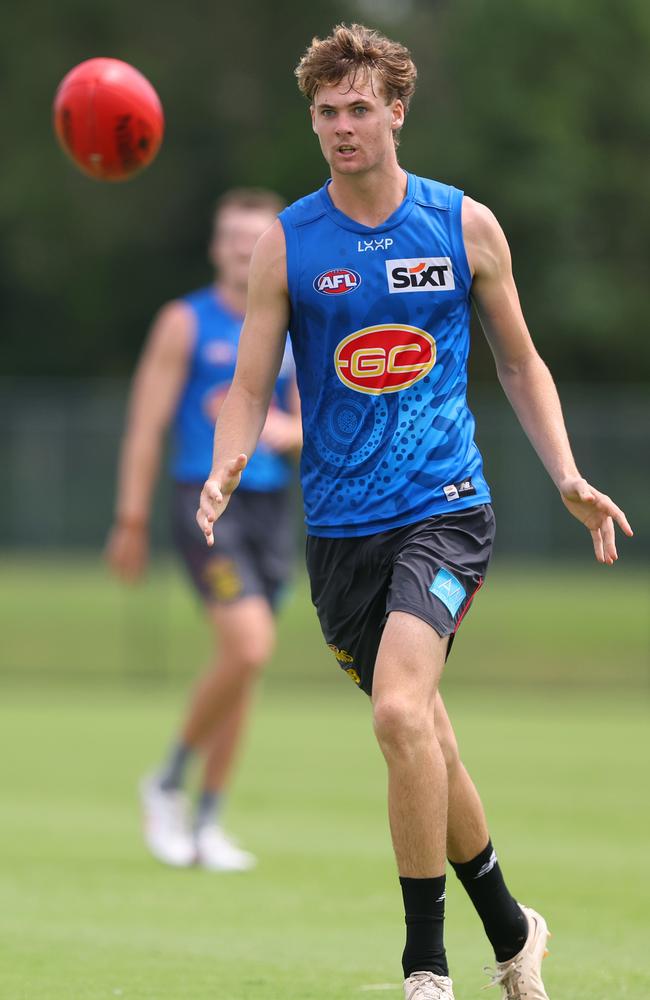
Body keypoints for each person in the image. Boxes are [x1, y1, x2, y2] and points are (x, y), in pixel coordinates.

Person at [195, 24, 633, 999]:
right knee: (421, 733)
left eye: (359, 108)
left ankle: (423, 966)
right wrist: (228, 462)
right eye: (325, 112)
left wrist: (563, 472)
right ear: (311, 122)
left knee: (396, 710)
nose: (343, 126)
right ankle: (515, 931)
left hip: (444, 509)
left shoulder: (461, 226)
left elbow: (518, 361)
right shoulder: (288, 244)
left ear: (396, 109)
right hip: (340, 534)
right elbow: (250, 382)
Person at [106, 187, 301, 872]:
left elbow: (307, 422)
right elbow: (145, 425)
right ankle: (165, 782)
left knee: (246, 667)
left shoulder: (290, 322)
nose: (241, 249)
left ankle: (208, 821)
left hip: (272, 507)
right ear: (216, 246)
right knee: (247, 649)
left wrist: (287, 431)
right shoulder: (184, 323)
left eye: (255, 238)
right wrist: (129, 517)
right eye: (230, 237)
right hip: (204, 502)